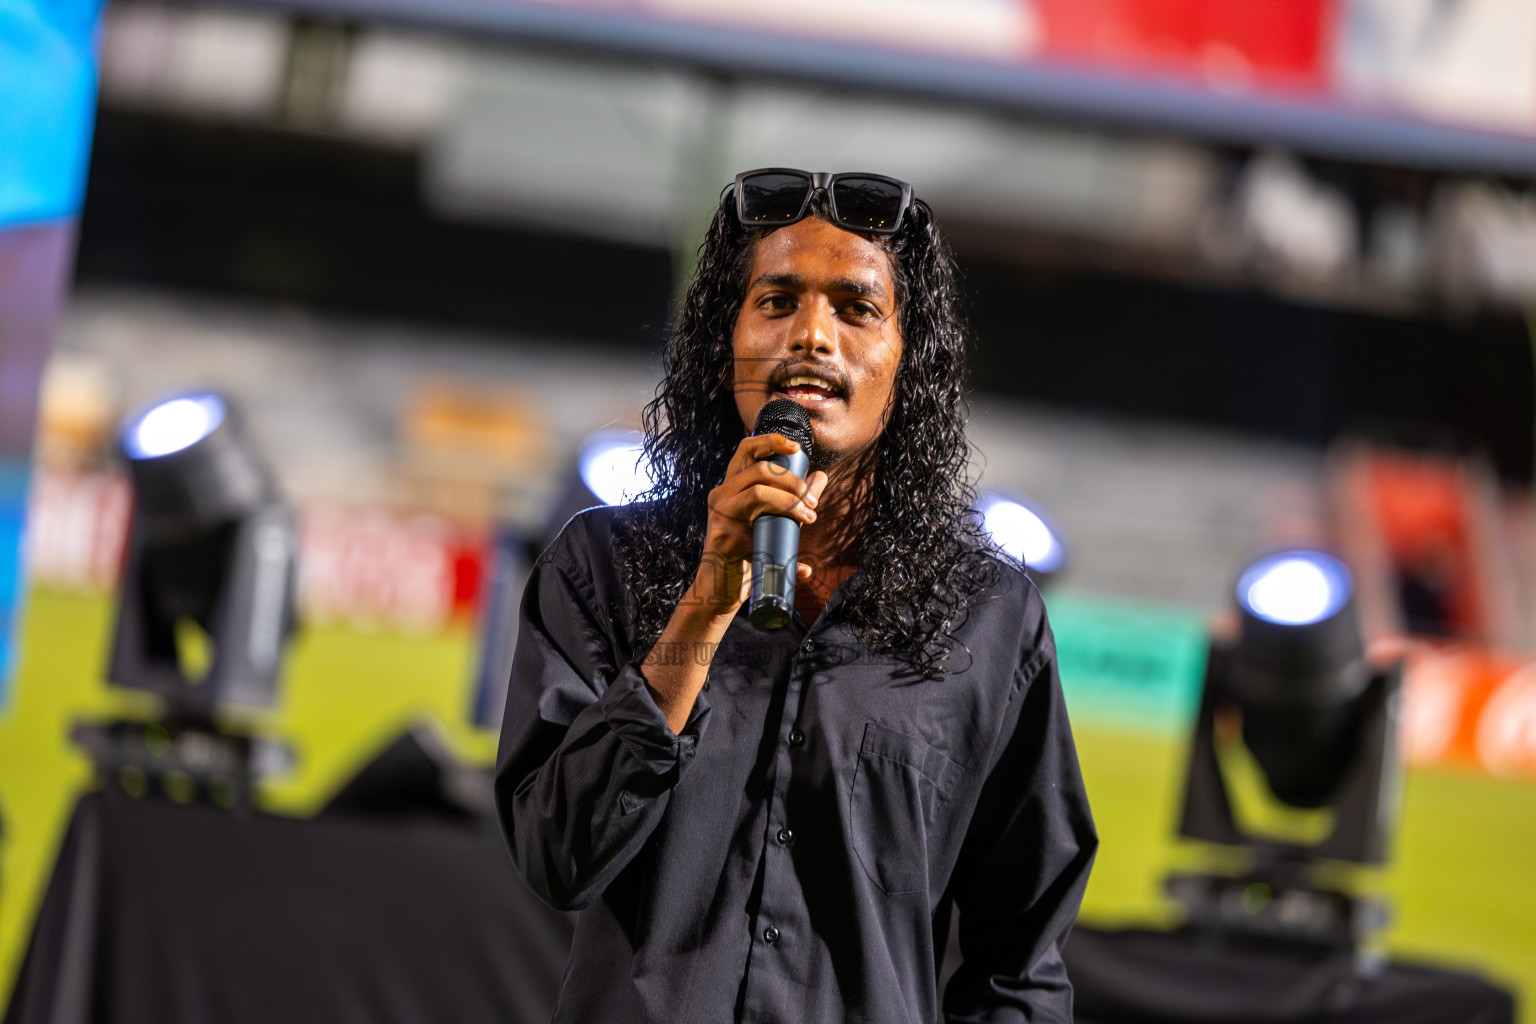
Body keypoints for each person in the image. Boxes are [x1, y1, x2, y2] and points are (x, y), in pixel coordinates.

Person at [495, 169, 1097, 1023]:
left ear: (907, 359)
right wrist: (707, 599)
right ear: (724, 339)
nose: (812, 336)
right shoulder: (601, 568)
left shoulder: (991, 619)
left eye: (855, 308)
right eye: (776, 302)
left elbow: (1021, 962)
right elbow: (560, 856)